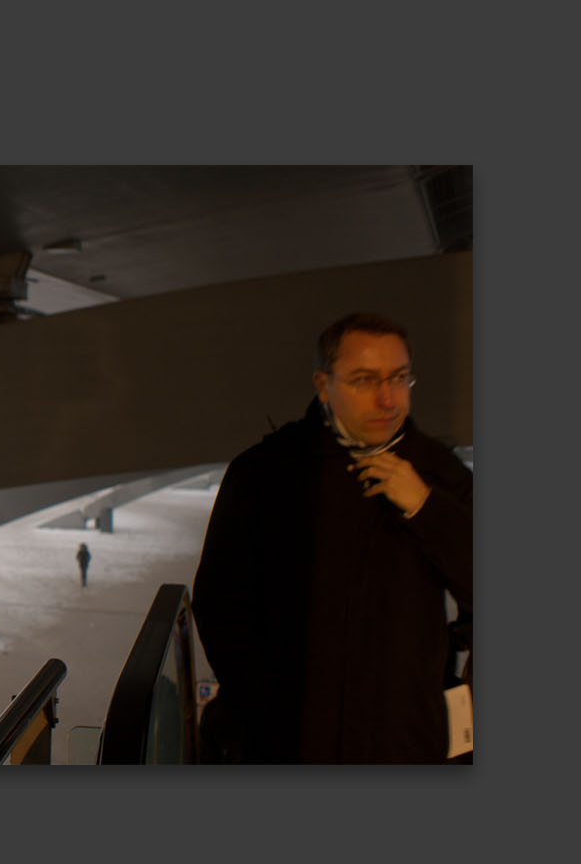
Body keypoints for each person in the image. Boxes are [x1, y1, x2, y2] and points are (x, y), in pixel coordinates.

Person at [192, 312, 472, 763]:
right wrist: (267, 705)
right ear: (325, 386)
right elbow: (219, 603)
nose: (387, 399)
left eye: (399, 378)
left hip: (404, 743)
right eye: (365, 380)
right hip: (292, 740)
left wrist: (425, 507)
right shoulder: (266, 473)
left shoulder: (440, 475)